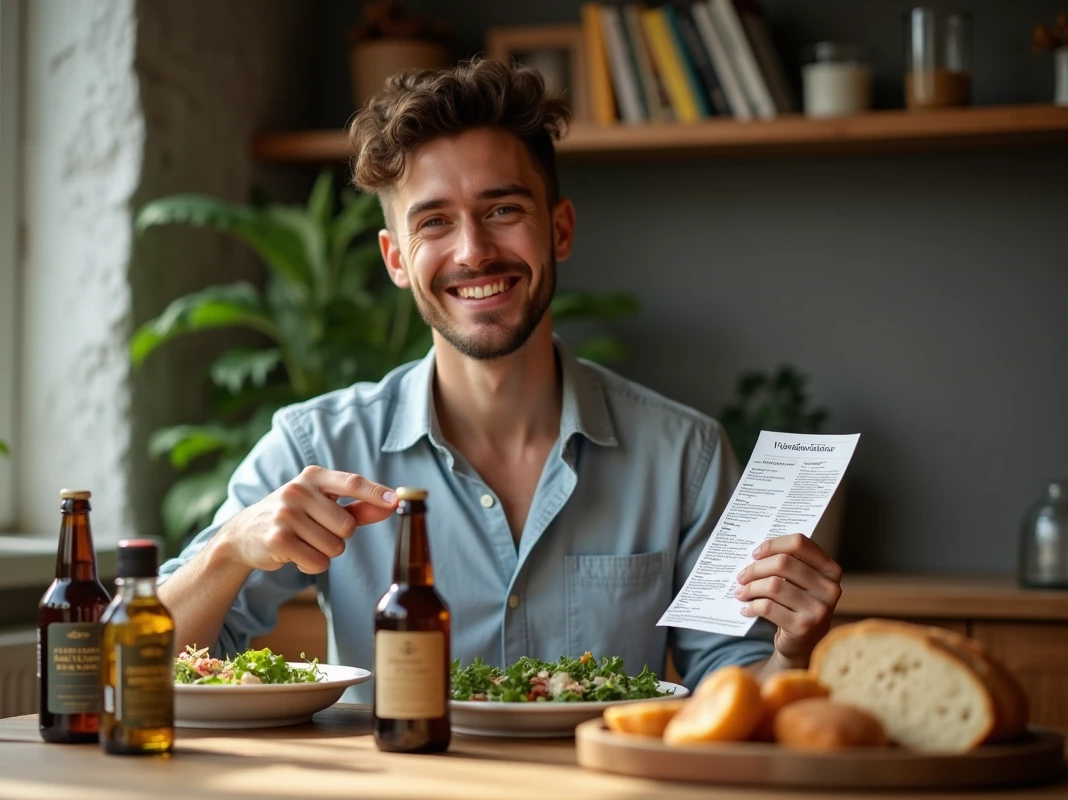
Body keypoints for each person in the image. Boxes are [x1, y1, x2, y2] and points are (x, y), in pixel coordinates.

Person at [158, 59, 843, 702]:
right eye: (434, 222)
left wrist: (791, 651)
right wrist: (228, 553)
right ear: (396, 260)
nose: (473, 251)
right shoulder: (316, 447)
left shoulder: (685, 457)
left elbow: (734, 688)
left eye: (503, 210)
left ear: (560, 229)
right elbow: (143, 662)